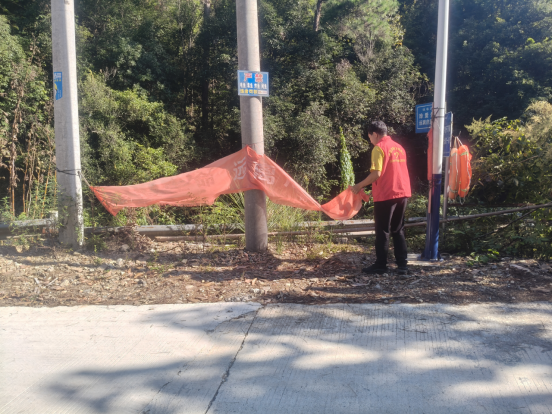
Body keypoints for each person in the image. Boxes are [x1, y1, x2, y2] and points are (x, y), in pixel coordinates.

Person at [351, 120, 412, 275]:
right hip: (402, 192)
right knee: (398, 229)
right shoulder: (399, 147)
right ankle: (402, 265)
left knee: (382, 230)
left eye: (370, 137)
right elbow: (392, 173)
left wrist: (358, 185)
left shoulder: (379, 148)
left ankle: (381, 265)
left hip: (386, 195)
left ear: (375, 134)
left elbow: (377, 173)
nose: (370, 140)